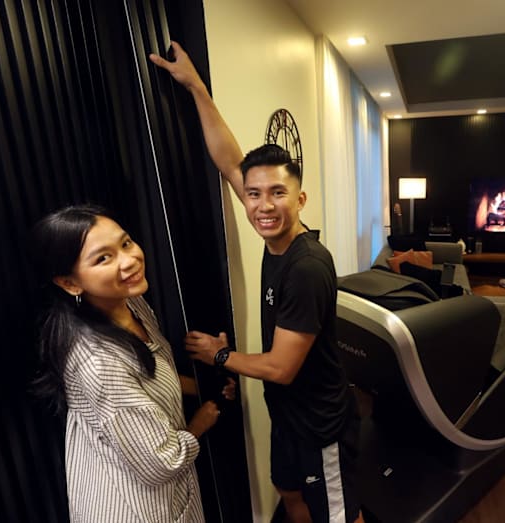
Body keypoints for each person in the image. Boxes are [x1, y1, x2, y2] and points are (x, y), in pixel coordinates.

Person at [150, 43, 364, 523]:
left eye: (277, 193)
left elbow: (282, 368)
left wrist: (219, 355)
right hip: (288, 417)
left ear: (300, 199)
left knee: (337, 515)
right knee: (289, 492)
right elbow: (230, 161)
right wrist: (196, 87)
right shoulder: (274, 237)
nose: (263, 205)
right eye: (254, 194)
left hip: (320, 425)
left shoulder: (306, 267)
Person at [30, 204, 228, 522]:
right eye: (103, 258)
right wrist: (198, 424)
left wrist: (204, 389)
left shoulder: (130, 301)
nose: (130, 260)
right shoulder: (98, 363)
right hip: (131, 506)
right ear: (70, 283)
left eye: (125, 243)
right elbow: (161, 462)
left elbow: (150, 375)